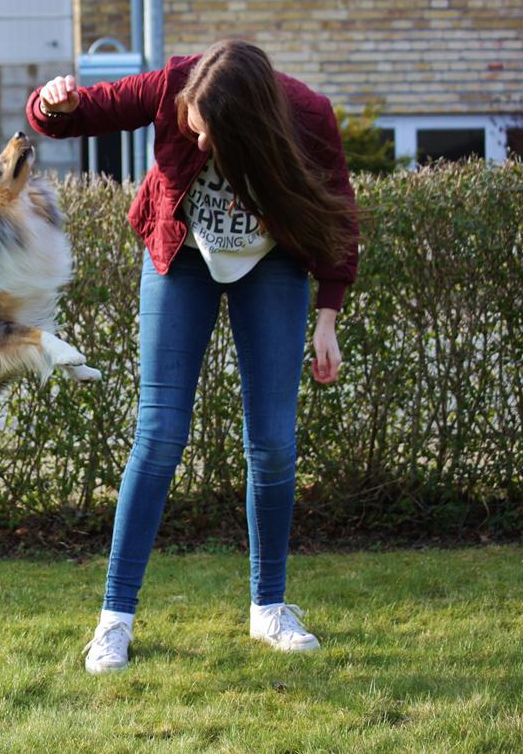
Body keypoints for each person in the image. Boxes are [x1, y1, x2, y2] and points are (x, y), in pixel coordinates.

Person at [25, 39, 360, 673]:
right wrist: (50, 103)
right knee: (157, 434)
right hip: (181, 258)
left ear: (249, 126)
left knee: (273, 442)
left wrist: (328, 317)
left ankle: (269, 609)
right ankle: (113, 622)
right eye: (194, 131)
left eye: (213, 138)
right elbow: (78, 114)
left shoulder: (307, 115)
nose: (200, 147)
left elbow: (338, 209)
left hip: (272, 265)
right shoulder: (177, 84)